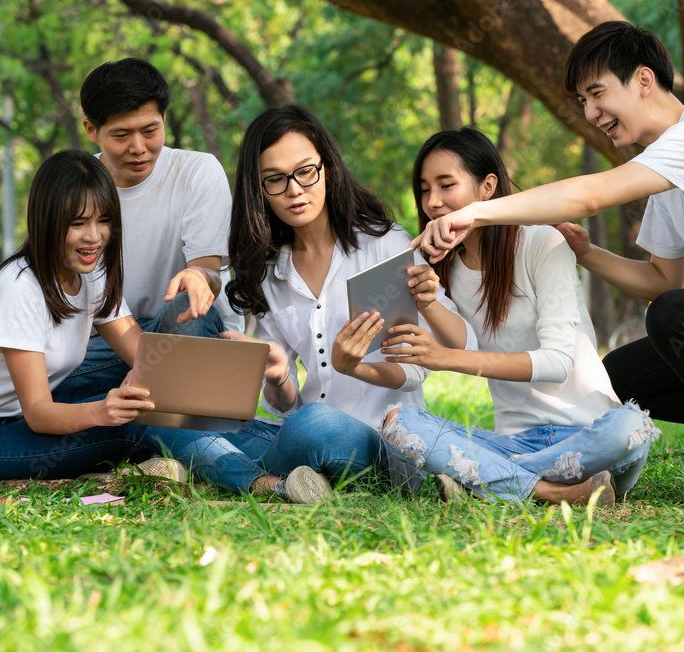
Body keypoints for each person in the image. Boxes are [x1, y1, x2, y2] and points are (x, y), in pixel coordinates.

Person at [411, 21, 684, 502]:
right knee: (626, 374)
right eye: (582, 102)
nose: (590, 112)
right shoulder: (666, 173)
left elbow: (588, 196)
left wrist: (477, 212)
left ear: (644, 80)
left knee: (674, 314)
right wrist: (588, 254)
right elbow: (658, 280)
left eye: (597, 93)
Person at [141, 104, 477, 503]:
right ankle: (273, 483)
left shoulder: (384, 246)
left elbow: (422, 369)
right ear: (259, 189)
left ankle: (232, 467)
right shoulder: (268, 271)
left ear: (328, 169)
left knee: (311, 426)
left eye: (305, 172)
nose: (294, 190)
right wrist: (279, 374)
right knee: (165, 421)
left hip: (375, 438)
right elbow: (285, 403)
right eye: (276, 180)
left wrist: (356, 366)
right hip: (297, 431)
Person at [378, 128, 659, 506]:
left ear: (487, 187)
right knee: (400, 422)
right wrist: (428, 302)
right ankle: (554, 492)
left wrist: (445, 359)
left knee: (631, 427)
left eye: (446, 185)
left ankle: (489, 476)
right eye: (425, 190)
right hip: (514, 439)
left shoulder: (542, 242)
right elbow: (463, 342)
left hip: (589, 434)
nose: (433, 202)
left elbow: (558, 362)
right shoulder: (442, 266)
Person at [0, 149, 166, 484]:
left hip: (13, 422)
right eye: (78, 223)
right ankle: (118, 462)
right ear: (47, 221)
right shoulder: (18, 288)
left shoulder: (92, 272)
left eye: (104, 221)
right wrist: (103, 412)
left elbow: (145, 360)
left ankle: (111, 461)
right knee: (133, 423)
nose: (94, 236)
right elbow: (39, 413)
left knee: (145, 400)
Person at [54, 58, 242, 397]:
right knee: (37, 373)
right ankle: (153, 413)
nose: (138, 147)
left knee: (185, 306)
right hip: (105, 341)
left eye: (150, 131)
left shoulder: (198, 172)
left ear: (164, 119)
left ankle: (164, 411)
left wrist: (198, 277)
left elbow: (210, 272)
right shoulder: (76, 188)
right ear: (91, 130)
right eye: (122, 135)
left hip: (184, 333)